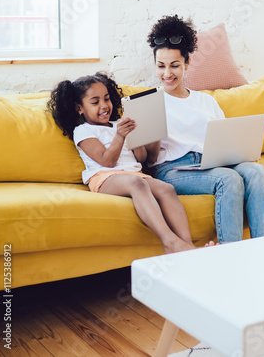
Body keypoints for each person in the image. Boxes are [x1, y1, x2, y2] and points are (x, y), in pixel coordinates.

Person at [146, 15, 264, 243]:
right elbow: (149, 160)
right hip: (173, 169)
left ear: (187, 63)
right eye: (161, 66)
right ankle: (228, 255)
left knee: (257, 172)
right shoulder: (150, 102)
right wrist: (153, 131)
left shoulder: (206, 101)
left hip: (210, 162)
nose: (167, 73)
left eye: (175, 65)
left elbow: (223, 140)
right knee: (229, 179)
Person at [47, 71, 197, 254]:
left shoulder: (119, 123)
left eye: (107, 99)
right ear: (79, 108)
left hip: (133, 174)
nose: (104, 106)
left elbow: (141, 159)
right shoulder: (83, 130)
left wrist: (142, 135)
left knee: (167, 189)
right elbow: (107, 161)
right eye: (95, 102)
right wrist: (120, 135)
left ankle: (187, 246)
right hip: (104, 177)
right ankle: (169, 241)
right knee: (137, 183)